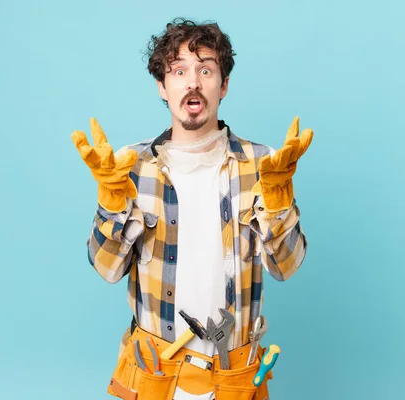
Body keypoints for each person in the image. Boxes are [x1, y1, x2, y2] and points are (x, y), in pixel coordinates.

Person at [71, 17, 313, 400]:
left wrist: (280, 201)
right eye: (179, 70)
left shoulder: (264, 164)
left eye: (206, 69)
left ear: (224, 85)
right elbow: (107, 268)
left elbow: (287, 266)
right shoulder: (129, 166)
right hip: (156, 373)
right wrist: (112, 204)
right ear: (162, 87)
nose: (193, 82)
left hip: (236, 376)